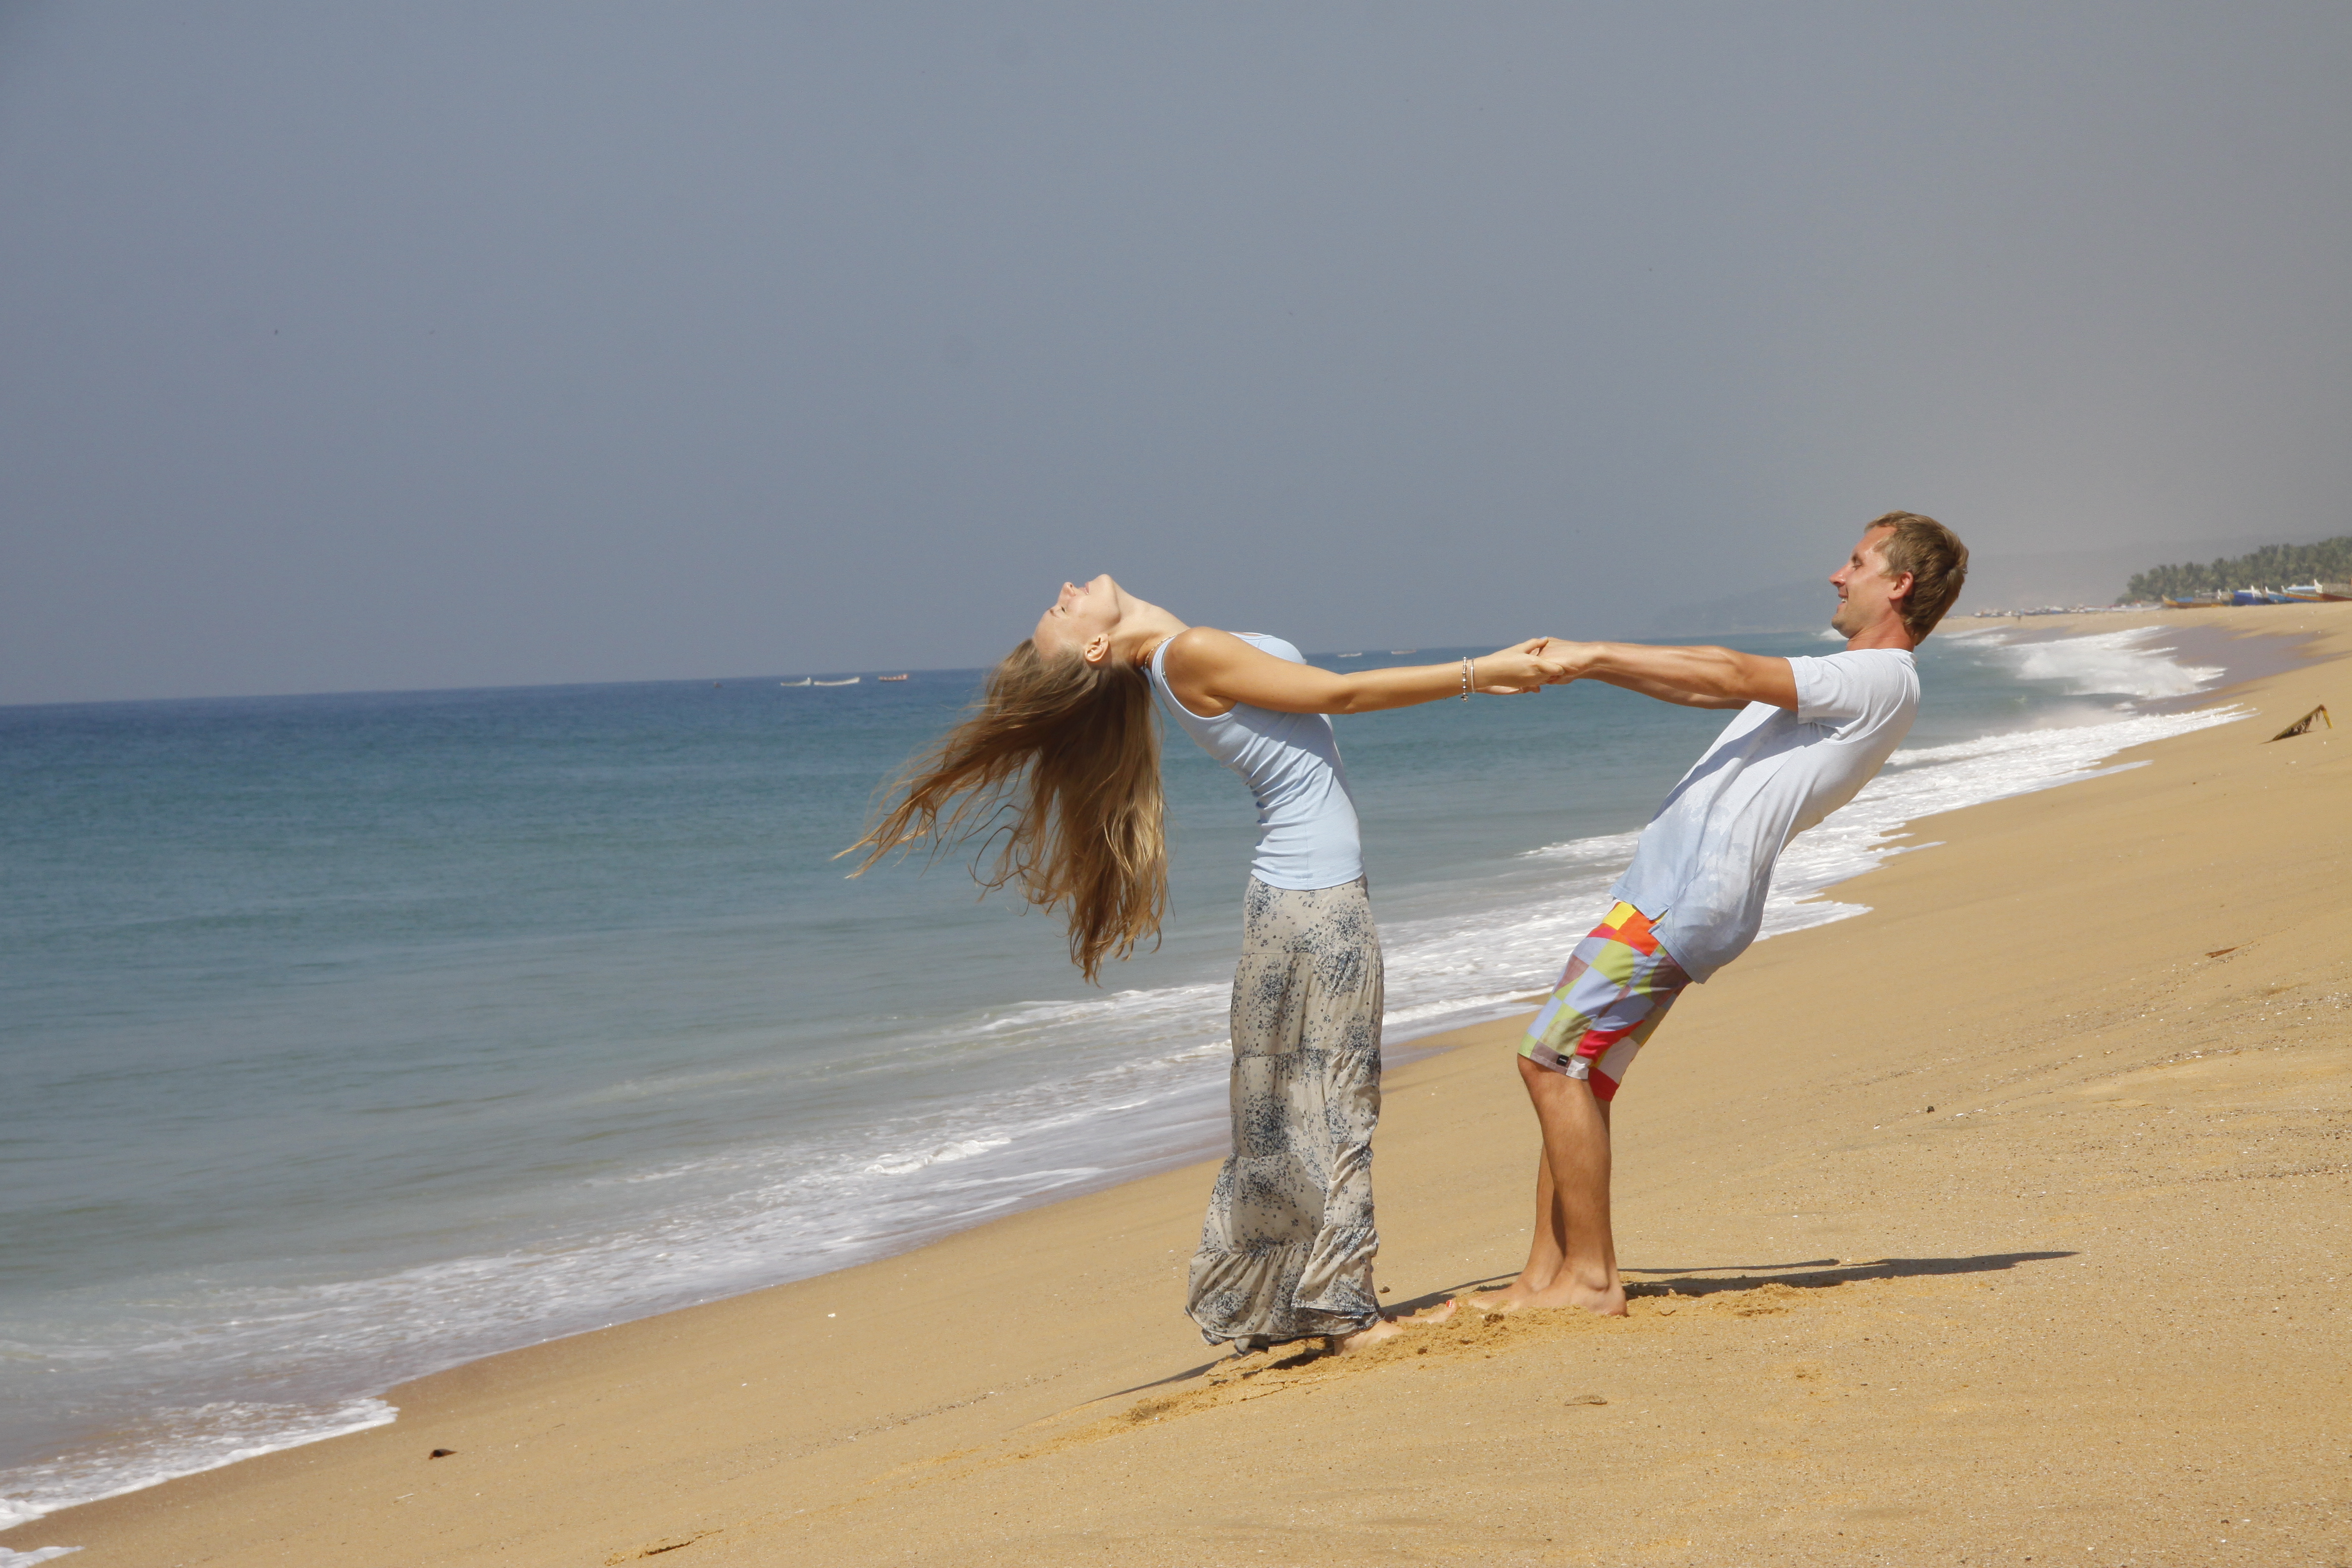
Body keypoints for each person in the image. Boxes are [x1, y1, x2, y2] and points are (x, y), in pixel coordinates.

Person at [849, 576, 1562, 1352]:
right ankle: (1345, 1314)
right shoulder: (1188, 655)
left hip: (1287, 902)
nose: (1064, 588)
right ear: (1094, 645)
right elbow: (1343, 692)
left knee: (1288, 1110)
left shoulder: (1175, 656)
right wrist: (1478, 673)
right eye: (1061, 609)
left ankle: (1290, 1302)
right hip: (1318, 906)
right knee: (1338, 1100)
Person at [1477, 512, 1968, 1317]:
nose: (1838, 577)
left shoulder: (1882, 679)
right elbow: (1702, 684)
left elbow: (1731, 669)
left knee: (1551, 1061)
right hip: (1668, 895)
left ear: (1898, 585)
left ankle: (1591, 1280)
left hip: (1682, 901)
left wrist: (1593, 651)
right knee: (1581, 1073)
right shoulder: (1846, 682)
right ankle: (1543, 1276)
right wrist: (1584, 672)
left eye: (1856, 562)